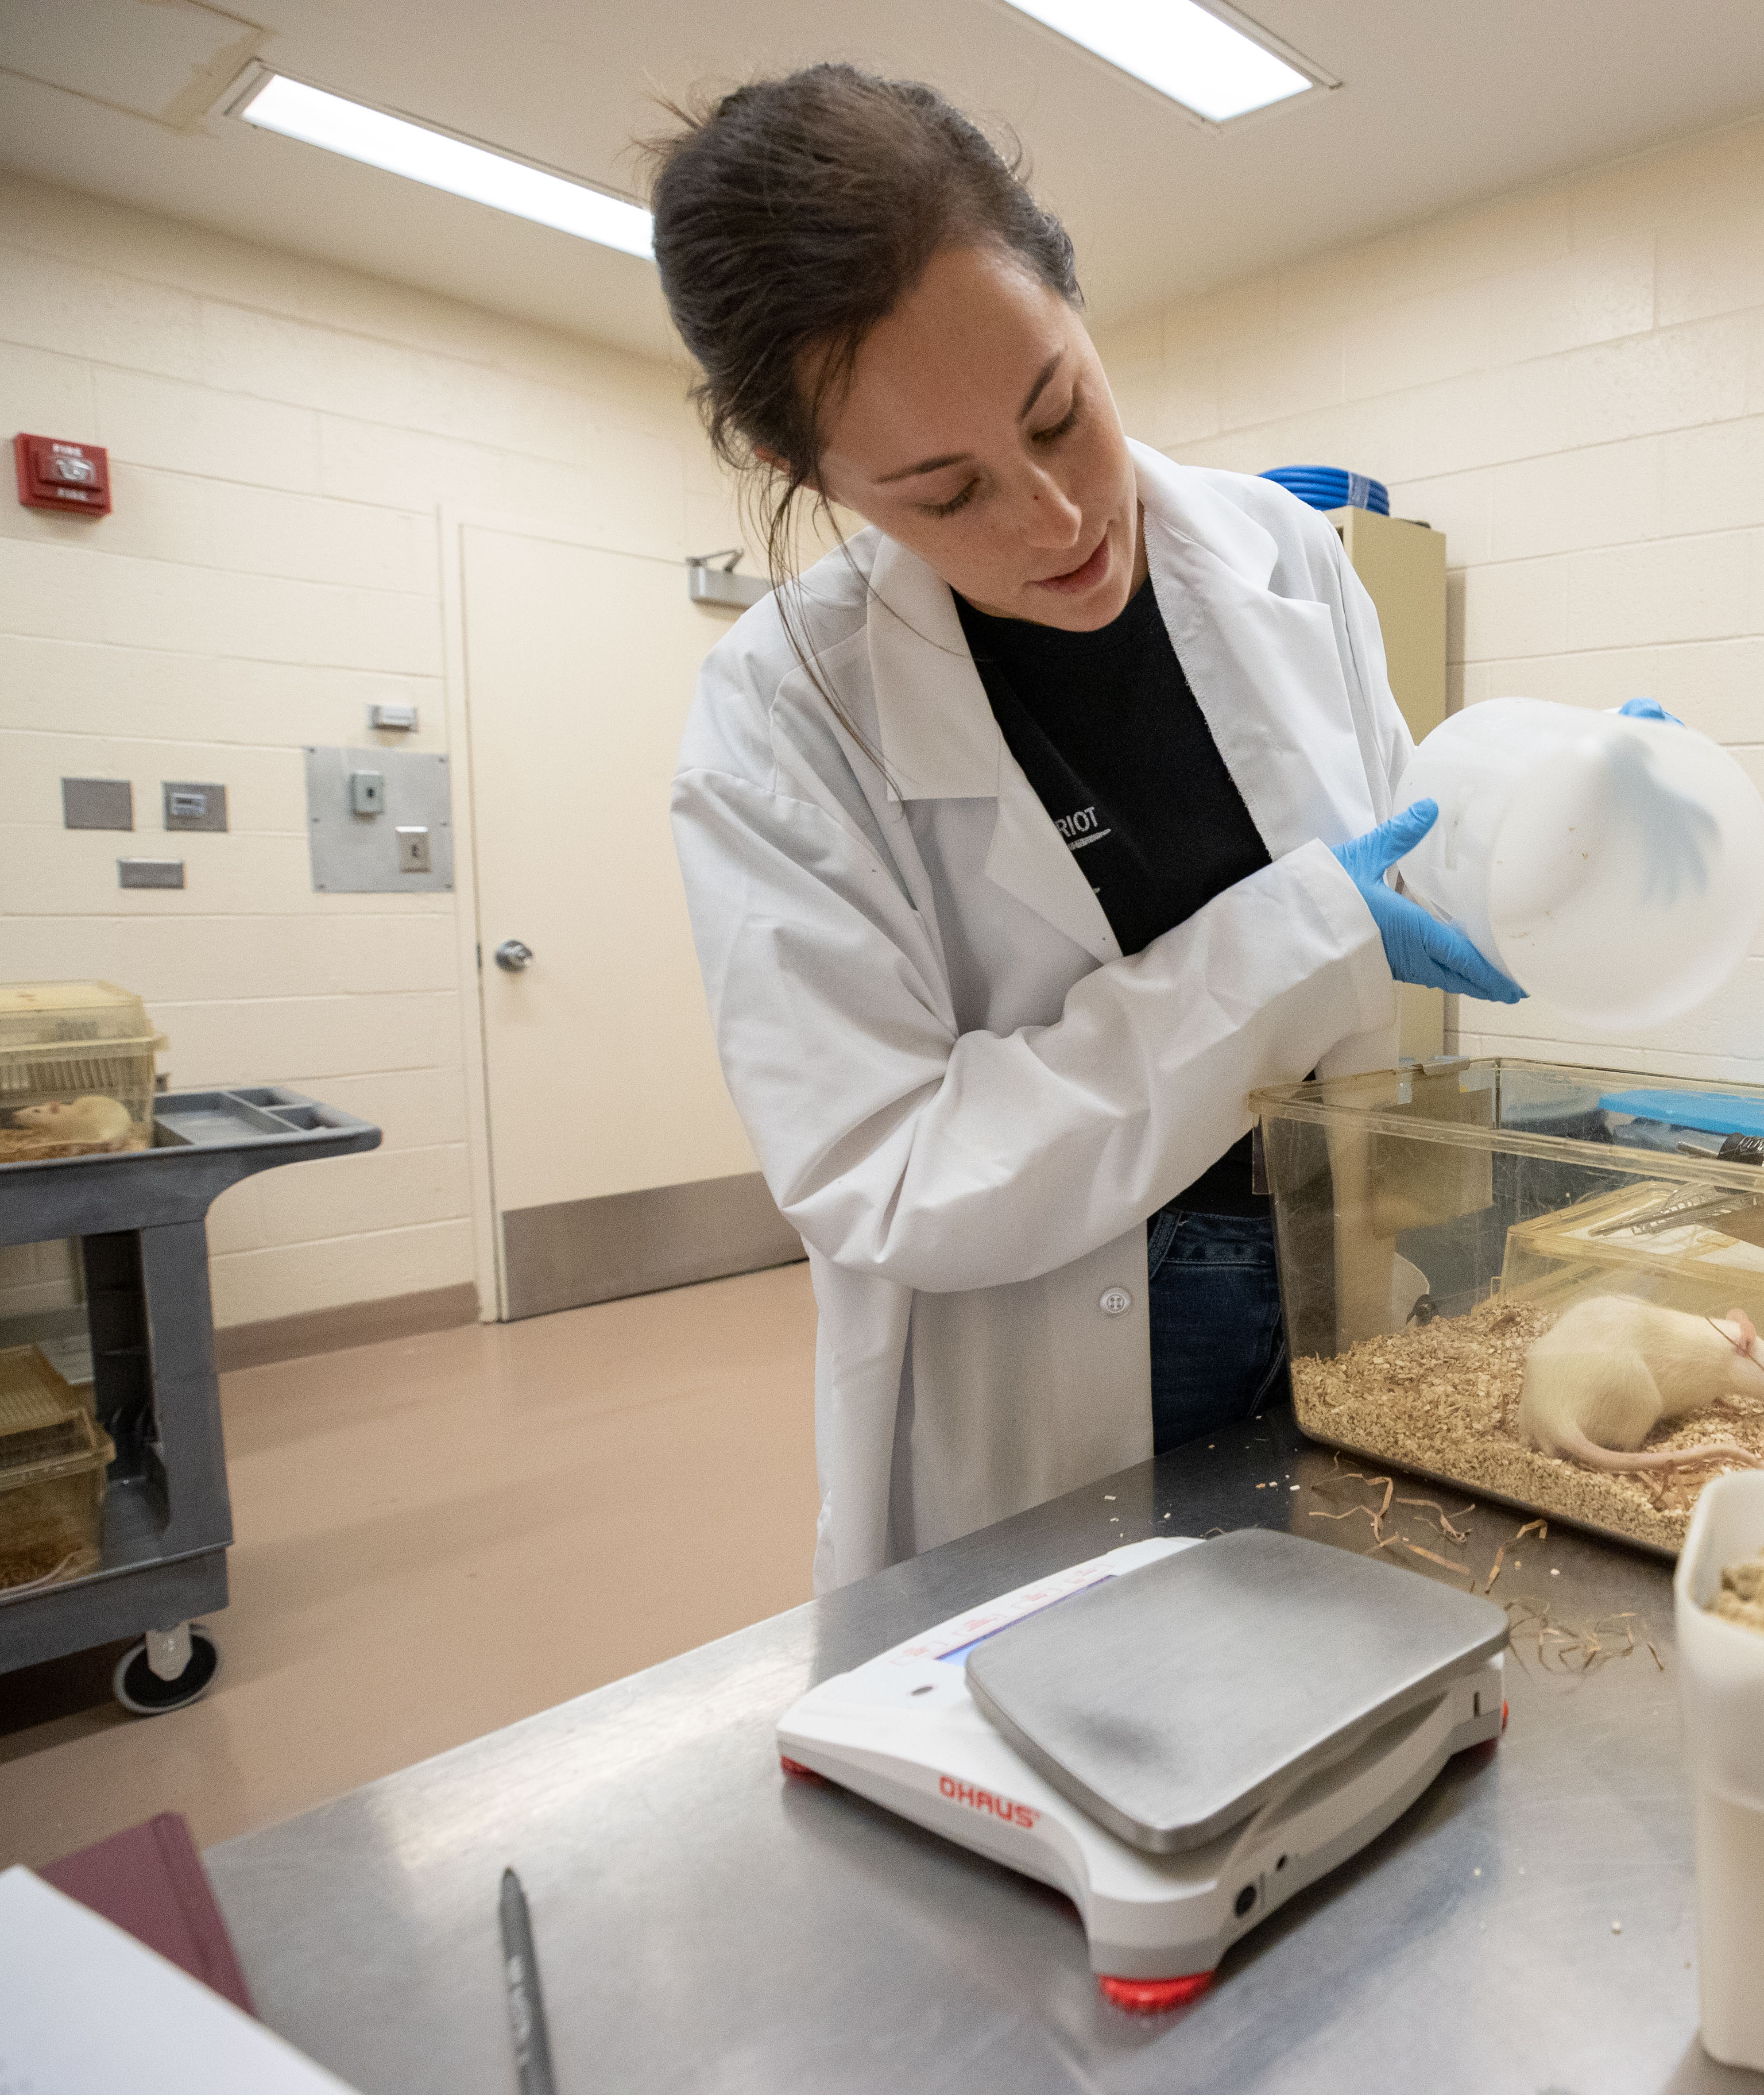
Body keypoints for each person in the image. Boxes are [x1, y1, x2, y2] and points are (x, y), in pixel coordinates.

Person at [650, 65, 1530, 1592]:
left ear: (1070, 291)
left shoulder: (1282, 555)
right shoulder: (780, 724)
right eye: (943, 493)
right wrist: (1286, 943)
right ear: (811, 474)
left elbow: (1399, 860)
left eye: (1060, 414)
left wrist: (1555, 812)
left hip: (1329, 1271)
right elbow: (889, 1170)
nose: (1054, 523)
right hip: (1058, 1360)